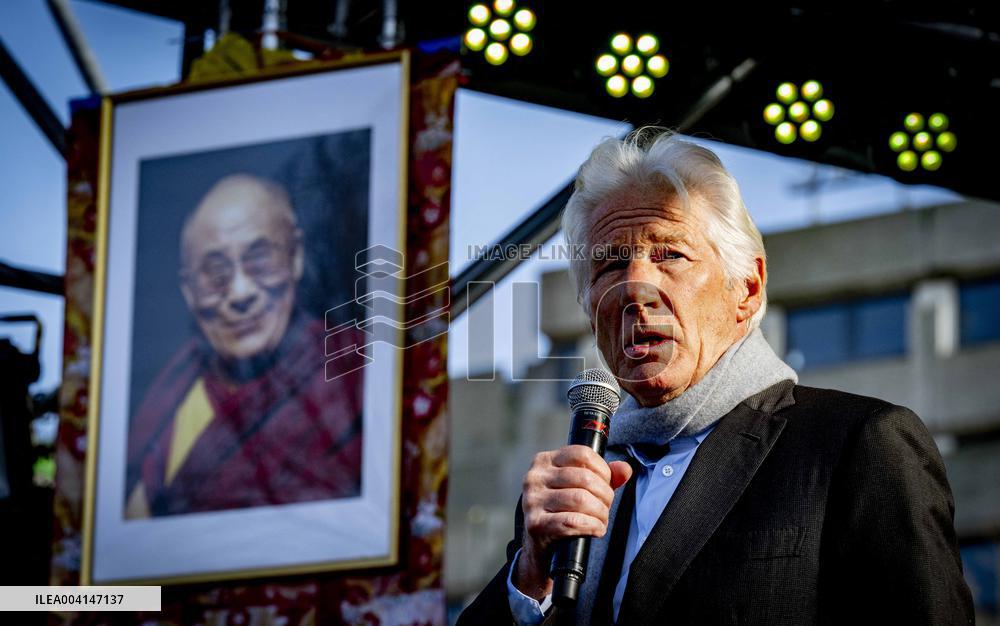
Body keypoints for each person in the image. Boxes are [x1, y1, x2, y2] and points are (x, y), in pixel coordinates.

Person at [458, 128, 974, 625]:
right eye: (611, 264)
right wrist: (531, 574)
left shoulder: (859, 444)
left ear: (746, 290)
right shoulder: (574, 486)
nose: (636, 287)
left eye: (670, 255)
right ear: (588, 306)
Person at [124, 173, 365, 518]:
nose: (240, 293)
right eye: (215, 274)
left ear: (295, 258)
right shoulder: (168, 403)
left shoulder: (355, 371)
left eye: (260, 260)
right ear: (188, 292)